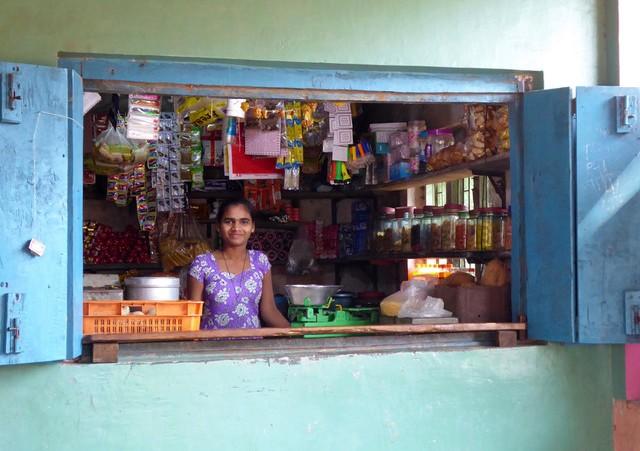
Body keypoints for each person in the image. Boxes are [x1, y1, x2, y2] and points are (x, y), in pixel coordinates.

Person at [187, 198, 290, 330]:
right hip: (212, 348)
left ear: (252, 227)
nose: (236, 228)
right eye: (228, 221)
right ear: (218, 227)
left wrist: (295, 334)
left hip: (251, 348)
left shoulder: (260, 261)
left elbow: (269, 311)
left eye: (244, 222)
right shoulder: (202, 264)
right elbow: (192, 316)